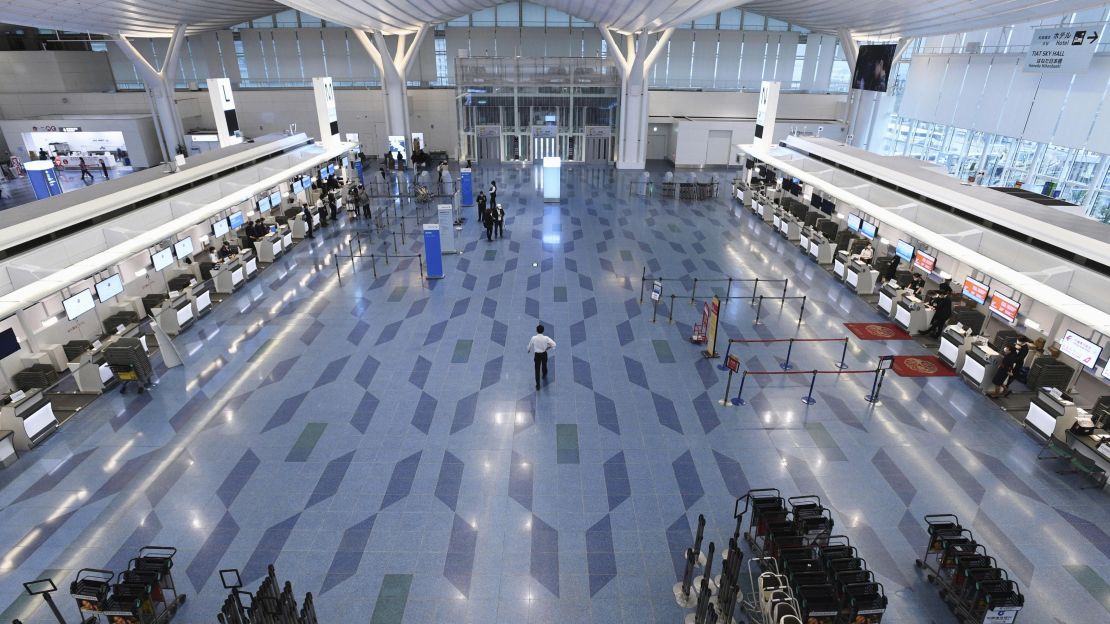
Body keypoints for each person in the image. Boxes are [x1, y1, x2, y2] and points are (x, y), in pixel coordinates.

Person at [526, 324, 556, 390]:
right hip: (544, 354)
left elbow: (529, 345)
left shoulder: (534, 338)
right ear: (543, 331)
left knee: (537, 369)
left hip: (537, 355)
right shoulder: (546, 338)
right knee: (544, 364)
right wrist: (548, 347)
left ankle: (538, 385)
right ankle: (544, 374)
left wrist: (528, 350)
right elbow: (554, 344)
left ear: (536, 330)